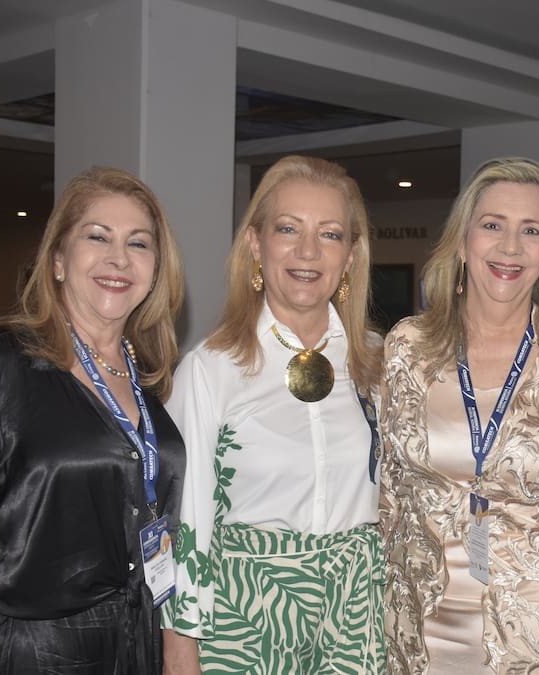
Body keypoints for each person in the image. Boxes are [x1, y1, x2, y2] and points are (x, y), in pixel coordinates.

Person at [0, 166, 187, 674]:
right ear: (59, 260)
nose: (119, 257)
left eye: (139, 243)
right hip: (40, 652)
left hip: (140, 640)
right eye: (97, 236)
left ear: (156, 268)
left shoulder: (150, 379)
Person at [379, 157, 539, 673]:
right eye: (493, 226)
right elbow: (391, 490)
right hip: (425, 623)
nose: (510, 247)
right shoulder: (408, 347)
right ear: (463, 242)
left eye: (530, 231)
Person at [162, 155, 385, 674]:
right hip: (246, 616)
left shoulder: (380, 362)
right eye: (288, 229)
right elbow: (185, 520)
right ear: (255, 244)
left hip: (357, 613)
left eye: (330, 235)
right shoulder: (210, 369)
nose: (308, 251)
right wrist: (179, 652)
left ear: (351, 256)